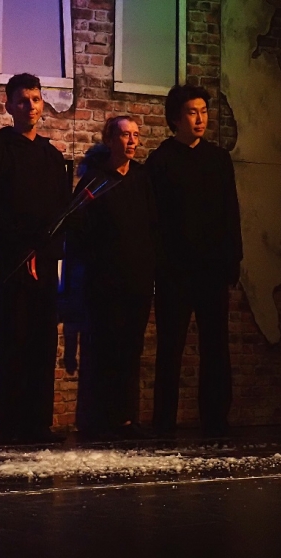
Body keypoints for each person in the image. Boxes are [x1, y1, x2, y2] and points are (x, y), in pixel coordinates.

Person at [0, 73, 71, 445]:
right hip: (13, 264)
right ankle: (11, 426)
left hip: (43, 264)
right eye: (22, 100)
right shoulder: (0, 150)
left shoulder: (52, 156)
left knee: (42, 342)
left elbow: (62, 213)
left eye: (35, 99)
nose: (30, 106)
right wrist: (20, 249)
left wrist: (43, 251)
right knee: (12, 341)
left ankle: (38, 423)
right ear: (9, 106)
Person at [146, 84, 243, 440]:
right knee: (170, 347)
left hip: (212, 269)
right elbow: (153, 220)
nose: (201, 119)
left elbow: (230, 212)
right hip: (174, 271)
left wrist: (233, 258)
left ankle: (216, 420)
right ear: (175, 118)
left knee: (215, 347)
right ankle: (163, 423)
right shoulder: (161, 161)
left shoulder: (218, 159)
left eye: (204, 111)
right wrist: (159, 265)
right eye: (192, 112)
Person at [70, 116, 158, 440]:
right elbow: (77, 231)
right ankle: (101, 420)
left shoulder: (142, 178)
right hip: (105, 284)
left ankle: (126, 418)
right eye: (125, 135)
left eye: (136, 135)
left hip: (137, 282)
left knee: (131, 351)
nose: (132, 141)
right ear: (110, 140)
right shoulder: (95, 180)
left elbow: (153, 226)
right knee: (104, 350)